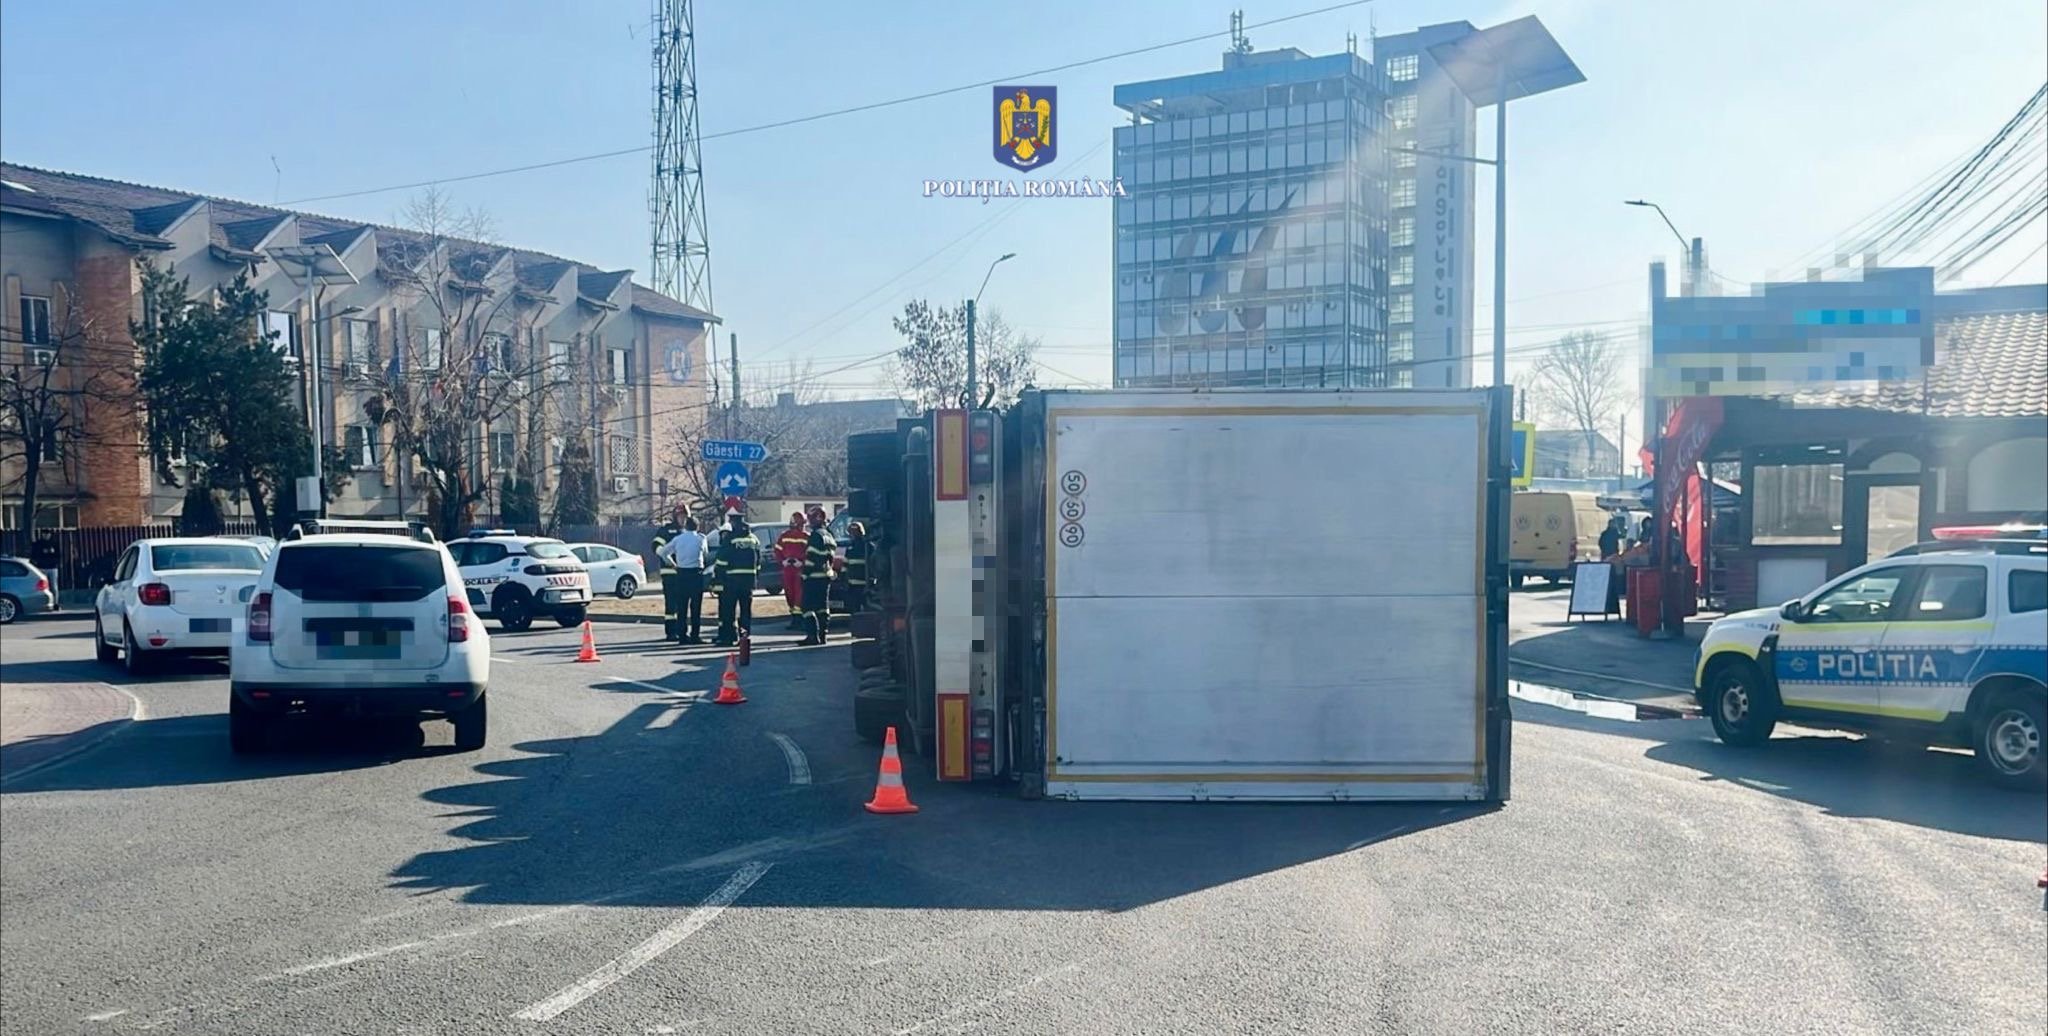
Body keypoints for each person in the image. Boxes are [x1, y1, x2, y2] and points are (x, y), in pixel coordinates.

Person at [656, 514, 708, 643]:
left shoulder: (678, 539)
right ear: (697, 527)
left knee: (682, 607)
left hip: (682, 574)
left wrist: (672, 564)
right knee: (696, 607)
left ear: (686, 526)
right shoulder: (701, 538)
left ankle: (682, 636)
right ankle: (695, 636)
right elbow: (705, 553)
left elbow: (663, 552)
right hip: (696, 574)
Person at [711, 514, 760, 647]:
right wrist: (755, 576)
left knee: (729, 610)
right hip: (748, 581)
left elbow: (721, 560)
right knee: (745, 611)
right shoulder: (754, 539)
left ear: (733, 523)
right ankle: (744, 638)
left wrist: (718, 577)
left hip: (731, 581)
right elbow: (758, 561)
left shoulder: (731, 538)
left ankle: (727, 638)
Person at [799, 506, 838, 645]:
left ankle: (812, 636)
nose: (809, 522)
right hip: (825, 577)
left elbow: (811, 558)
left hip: (813, 578)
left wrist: (804, 575)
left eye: (811, 519)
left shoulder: (816, 535)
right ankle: (823, 635)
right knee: (823, 607)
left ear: (819, 518)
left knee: (807, 607)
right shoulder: (829, 535)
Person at [650, 506, 689, 641]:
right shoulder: (666, 530)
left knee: (682, 604)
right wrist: (666, 558)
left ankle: (681, 631)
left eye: (685, 517)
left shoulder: (688, 531)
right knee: (671, 603)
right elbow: (656, 546)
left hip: (683, 572)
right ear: (675, 517)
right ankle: (671, 632)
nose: (683, 519)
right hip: (669, 572)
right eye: (681, 516)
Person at [773, 513, 810, 630]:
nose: (803, 526)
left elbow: (810, 554)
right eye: (802, 524)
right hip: (788, 568)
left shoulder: (806, 536)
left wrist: (802, 562)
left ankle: (799, 620)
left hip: (799, 568)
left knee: (799, 594)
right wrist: (783, 561)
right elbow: (777, 550)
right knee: (790, 594)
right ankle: (794, 619)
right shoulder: (784, 536)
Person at [842, 520, 872, 615]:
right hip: (865, 584)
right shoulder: (869, 546)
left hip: (857, 585)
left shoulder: (852, 548)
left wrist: (843, 580)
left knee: (855, 609)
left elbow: (844, 567)